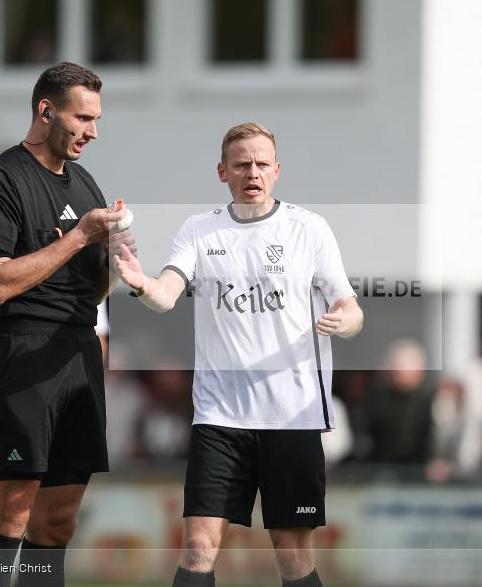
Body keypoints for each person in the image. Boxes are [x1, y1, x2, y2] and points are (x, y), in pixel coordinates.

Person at [113, 122, 364, 587]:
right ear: (222, 171)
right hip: (220, 417)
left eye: (262, 163)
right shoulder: (200, 229)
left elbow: (351, 308)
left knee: (292, 555)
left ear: (277, 170)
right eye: (242, 164)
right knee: (198, 546)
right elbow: (168, 293)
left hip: (293, 417)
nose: (253, 172)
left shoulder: (308, 229)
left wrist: (342, 321)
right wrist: (144, 283)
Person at [0, 61, 135, 587]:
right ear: (45, 111)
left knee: (58, 521)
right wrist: (81, 237)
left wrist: (115, 263)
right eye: (83, 118)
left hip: (79, 355)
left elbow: (91, 288)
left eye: (96, 119)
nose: (93, 131)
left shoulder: (86, 183)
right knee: (12, 512)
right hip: (21, 352)